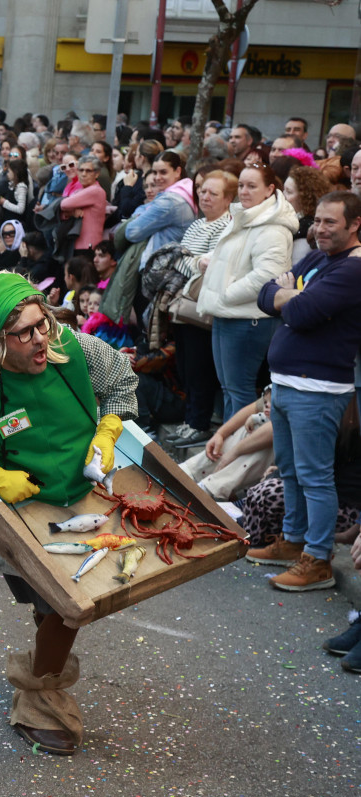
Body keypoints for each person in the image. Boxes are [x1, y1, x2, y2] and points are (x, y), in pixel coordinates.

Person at [0, 273, 136, 755]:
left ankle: (39, 688)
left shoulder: (77, 350)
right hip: (20, 511)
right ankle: (40, 691)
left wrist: (109, 430)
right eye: (24, 332)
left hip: (87, 496)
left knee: (68, 605)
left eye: (41, 323)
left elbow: (121, 384)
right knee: (60, 606)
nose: (41, 337)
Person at [245, 190, 361, 591]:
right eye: (318, 221)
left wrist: (290, 296)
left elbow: (304, 311)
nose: (320, 229)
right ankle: (293, 542)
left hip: (320, 389)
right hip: (287, 384)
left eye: (331, 222)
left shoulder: (353, 269)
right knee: (291, 471)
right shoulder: (317, 256)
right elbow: (264, 294)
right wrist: (288, 296)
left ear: (355, 225)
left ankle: (318, 559)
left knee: (314, 477)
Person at [197, 163, 297, 421]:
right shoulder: (246, 216)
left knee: (238, 390)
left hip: (247, 319)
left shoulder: (273, 227)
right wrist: (203, 260)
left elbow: (266, 276)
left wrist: (225, 294)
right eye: (241, 185)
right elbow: (229, 257)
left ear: (269, 189)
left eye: (252, 186)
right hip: (229, 313)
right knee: (229, 388)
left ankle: (238, 452)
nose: (244, 191)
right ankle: (229, 449)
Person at [163, 168, 238, 447]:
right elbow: (180, 260)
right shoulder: (197, 224)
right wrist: (192, 262)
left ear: (228, 198)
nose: (205, 197)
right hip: (182, 305)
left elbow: (210, 264)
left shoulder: (226, 226)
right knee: (184, 365)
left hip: (202, 309)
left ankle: (199, 423)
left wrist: (190, 262)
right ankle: (189, 420)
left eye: (213, 193)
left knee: (199, 368)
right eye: (203, 191)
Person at [59, 154, 107, 253]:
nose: (83, 174)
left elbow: (64, 204)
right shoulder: (79, 191)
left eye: (88, 171)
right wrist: (71, 213)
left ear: (97, 174)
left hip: (88, 246)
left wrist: (69, 211)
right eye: (81, 170)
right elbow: (62, 215)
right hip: (76, 245)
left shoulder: (96, 191)